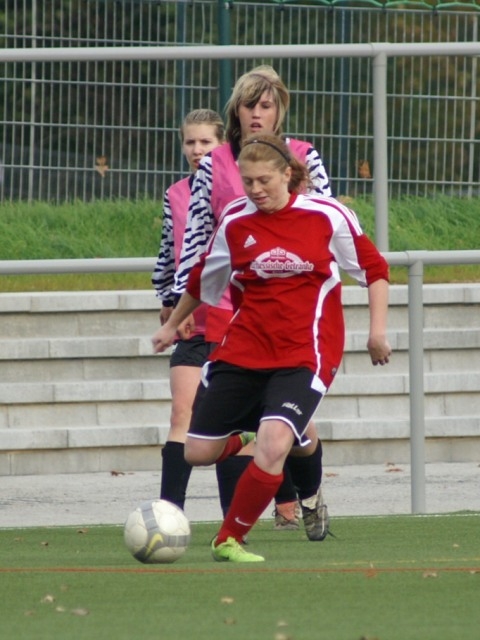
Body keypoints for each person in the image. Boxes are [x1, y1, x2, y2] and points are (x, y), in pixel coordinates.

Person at [152, 133, 391, 562]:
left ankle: (228, 539)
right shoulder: (235, 222)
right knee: (197, 451)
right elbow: (203, 280)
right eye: (247, 182)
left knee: (274, 442)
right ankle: (252, 430)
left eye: (264, 180)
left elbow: (374, 269)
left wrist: (377, 332)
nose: (256, 190)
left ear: (288, 174)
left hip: (306, 350)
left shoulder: (327, 215)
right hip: (244, 348)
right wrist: (172, 324)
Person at [172, 65, 333, 531]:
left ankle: (309, 498)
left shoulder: (305, 157)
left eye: (267, 105)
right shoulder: (214, 164)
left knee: (295, 428)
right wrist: (182, 305)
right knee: (224, 423)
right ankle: (238, 521)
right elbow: (199, 239)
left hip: (292, 311)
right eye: (249, 105)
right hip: (229, 308)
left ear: (280, 109)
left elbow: (327, 223)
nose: (258, 113)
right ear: (235, 110)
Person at [151, 108, 252, 511]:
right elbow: (169, 252)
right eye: (190, 142)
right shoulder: (175, 193)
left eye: (205, 142)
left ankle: (244, 518)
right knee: (182, 413)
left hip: (238, 319)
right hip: (194, 323)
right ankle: (167, 513)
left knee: (246, 425)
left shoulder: (242, 190)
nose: (197, 150)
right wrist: (170, 299)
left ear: (222, 145)